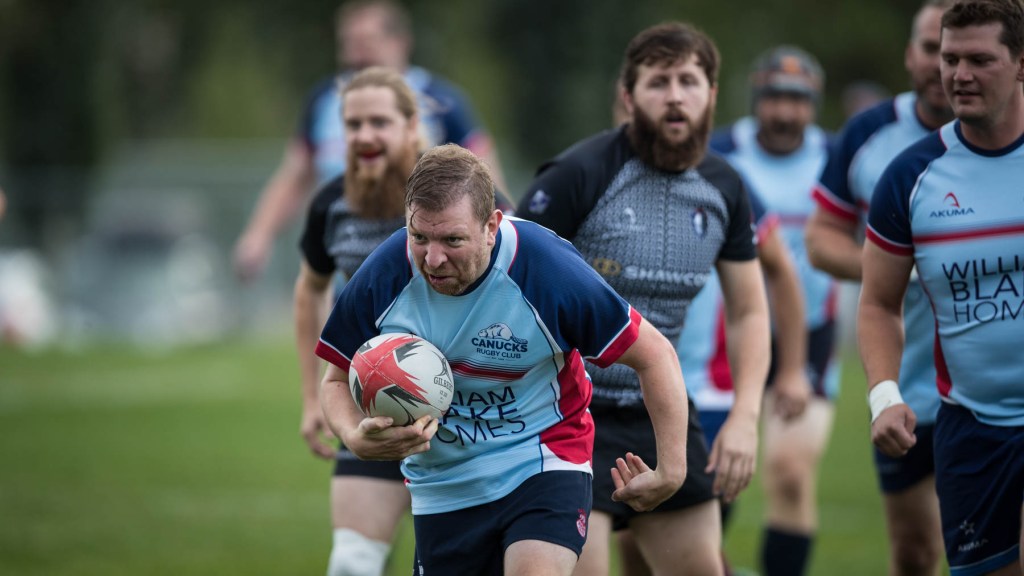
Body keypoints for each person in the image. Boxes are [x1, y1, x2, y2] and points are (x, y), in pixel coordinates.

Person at [315, 143, 690, 575]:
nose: (432, 259)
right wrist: (353, 436)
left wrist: (672, 470)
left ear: (492, 226)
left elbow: (655, 354)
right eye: (419, 237)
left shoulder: (546, 268)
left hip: (542, 459)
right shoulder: (385, 274)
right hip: (442, 481)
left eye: (453, 240)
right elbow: (335, 379)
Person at [518, 22, 772, 576]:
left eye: (689, 81)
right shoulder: (579, 174)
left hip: (662, 410)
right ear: (629, 97)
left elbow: (750, 311)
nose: (675, 96)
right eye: (659, 82)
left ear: (711, 93)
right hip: (567, 411)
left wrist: (745, 415)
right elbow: (509, 283)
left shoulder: (725, 187)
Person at [858, 1, 1024, 575]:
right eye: (950, 59)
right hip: (971, 429)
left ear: (1021, 63)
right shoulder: (910, 176)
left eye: (980, 59)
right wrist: (884, 396)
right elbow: (878, 303)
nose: (958, 74)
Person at [805, 2, 954, 574]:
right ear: (910, 54)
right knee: (914, 552)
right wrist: (895, 269)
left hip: (998, 389)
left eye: (960, 53)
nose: (945, 65)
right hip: (905, 382)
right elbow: (821, 240)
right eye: (932, 48)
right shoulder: (871, 135)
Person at [235, 0, 505, 282]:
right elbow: (295, 176)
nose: (356, 54)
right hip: (346, 257)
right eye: (348, 43)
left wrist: (501, 239)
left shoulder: (442, 101)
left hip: (421, 263)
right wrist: (258, 235)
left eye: (366, 42)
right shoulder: (324, 100)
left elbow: (484, 176)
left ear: (400, 42)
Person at [710, 45, 837, 576]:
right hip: (727, 335)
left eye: (798, 100)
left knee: (789, 473)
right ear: (754, 99)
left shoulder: (837, 157)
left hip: (809, 334)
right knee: (712, 481)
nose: (785, 112)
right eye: (774, 98)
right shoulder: (720, 153)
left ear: (815, 104)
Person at [294, 67, 425, 576]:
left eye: (379, 122)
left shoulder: (459, 195)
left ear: (411, 126)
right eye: (352, 124)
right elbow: (310, 288)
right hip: (369, 401)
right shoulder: (332, 203)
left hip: (465, 409)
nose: (364, 135)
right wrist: (313, 399)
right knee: (352, 563)